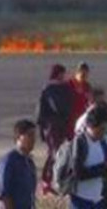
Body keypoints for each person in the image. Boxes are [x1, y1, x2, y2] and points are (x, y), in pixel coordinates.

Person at [68, 104, 107, 209]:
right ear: (92, 126)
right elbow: (78, 173)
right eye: (101, 129)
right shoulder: (81, 142)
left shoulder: (106, 139)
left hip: (101, 198)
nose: (103, 132)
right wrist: (104, 168)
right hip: (81, 201)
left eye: (105, 128)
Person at [35, 64, 73, 195]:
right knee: (55, 153)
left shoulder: (63, 87)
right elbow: (54, 107)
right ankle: (49, 181)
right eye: (63, 73)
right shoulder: (51, 89)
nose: (65, 75)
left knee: (55, 153)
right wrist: (41, 127)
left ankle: (48, 181)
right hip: (52, 127)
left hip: (60, 126)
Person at [0, 119, 38, 209]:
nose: (33, 139)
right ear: (19, 137)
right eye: (30, 135)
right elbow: (3, 194)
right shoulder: (9, 161)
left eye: (34, 136)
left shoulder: (29, 163)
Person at [69, 63, 94, 135]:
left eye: (86, 74)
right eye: (82, 74)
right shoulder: (69, 84)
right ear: (77, 72)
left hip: (82, 118)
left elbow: (91, 101)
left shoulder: (87, 86)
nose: (84, 76)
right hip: (71, 118)